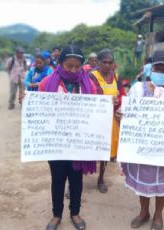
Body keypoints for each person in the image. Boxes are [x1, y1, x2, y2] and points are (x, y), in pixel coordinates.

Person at [119, 50, 164, 230]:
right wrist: (121, 116)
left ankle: (158, 215)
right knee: (143, 181)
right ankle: (144, 212)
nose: (160, 72)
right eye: (157, 68)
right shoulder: (137, 89)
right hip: (142, 149)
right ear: (151, 69)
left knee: (163, 183)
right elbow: (127, 116)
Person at [37, 45, 95, 230]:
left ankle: (75, 213)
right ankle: (56, 214)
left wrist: (110, 105)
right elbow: (38, 110)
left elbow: (96, 111)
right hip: (56, 143)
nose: (73, 70)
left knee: (76, 179)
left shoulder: (88, 84)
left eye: (77, 66)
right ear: (60, 63)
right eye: (69, 65)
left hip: (79, 143)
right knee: (58, 178)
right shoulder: (47, 83)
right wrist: (27, 102)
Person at [89, 49, 125, 193]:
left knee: (106, 151)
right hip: (93, 119)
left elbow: (122, 95)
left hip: (110, 121)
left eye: (110, 62)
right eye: (104, 62)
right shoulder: (91, 76)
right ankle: (74, 182)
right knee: (86, 151)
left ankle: (101, 178)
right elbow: (88, 97)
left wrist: (118, 104)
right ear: (98, 62)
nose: (107, 65)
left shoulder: (116, 77)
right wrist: (106, 100)